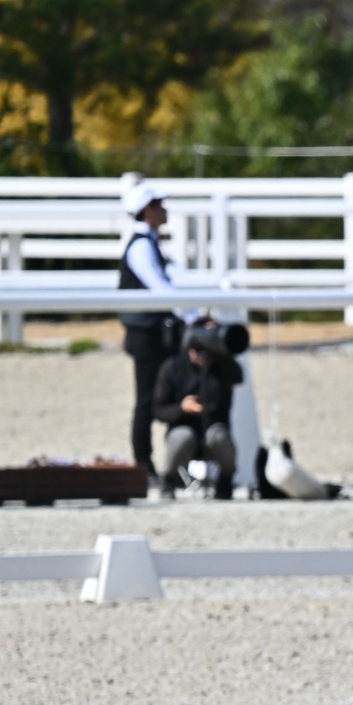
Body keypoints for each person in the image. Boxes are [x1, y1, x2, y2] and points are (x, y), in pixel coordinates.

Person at [117, 182, 198, 474]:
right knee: (148, 400)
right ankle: (144, 464)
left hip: (155, 333)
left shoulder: (150, 243)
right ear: (148, 210)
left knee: (161, 396)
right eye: (160, 205)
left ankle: (169, 462)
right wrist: (193, 316)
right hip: (147, 336)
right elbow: (161, 288)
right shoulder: (141, 246)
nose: (165, 210)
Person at [152, 323, 242, 498]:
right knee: (183, 436)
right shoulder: (173, 367)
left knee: (219, 436)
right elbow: (158, 410)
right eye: (198, 350)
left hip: (213, 432)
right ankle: (168, 481)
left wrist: (222, 346)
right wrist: (182, 407)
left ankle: (225, 482)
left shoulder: (222, 367)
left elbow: (238, 376)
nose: (204, 357)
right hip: (184, 432)